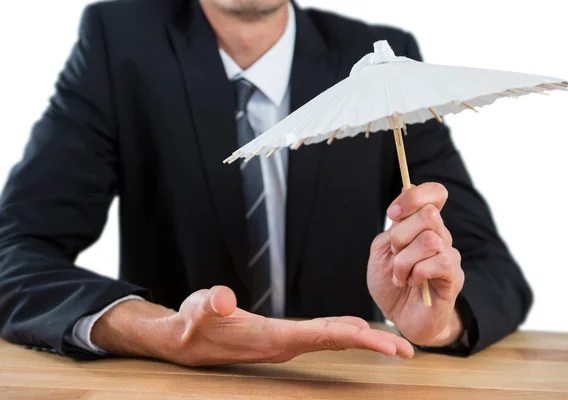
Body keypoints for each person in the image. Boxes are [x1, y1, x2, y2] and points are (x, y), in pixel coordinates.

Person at [0, 0, 533, 365]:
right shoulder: (118, 45)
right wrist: (155, 331)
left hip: (344, 385)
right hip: (175, 388)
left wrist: (438, 321)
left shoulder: (381, 63)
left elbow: (495, 274)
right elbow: (11, 253)